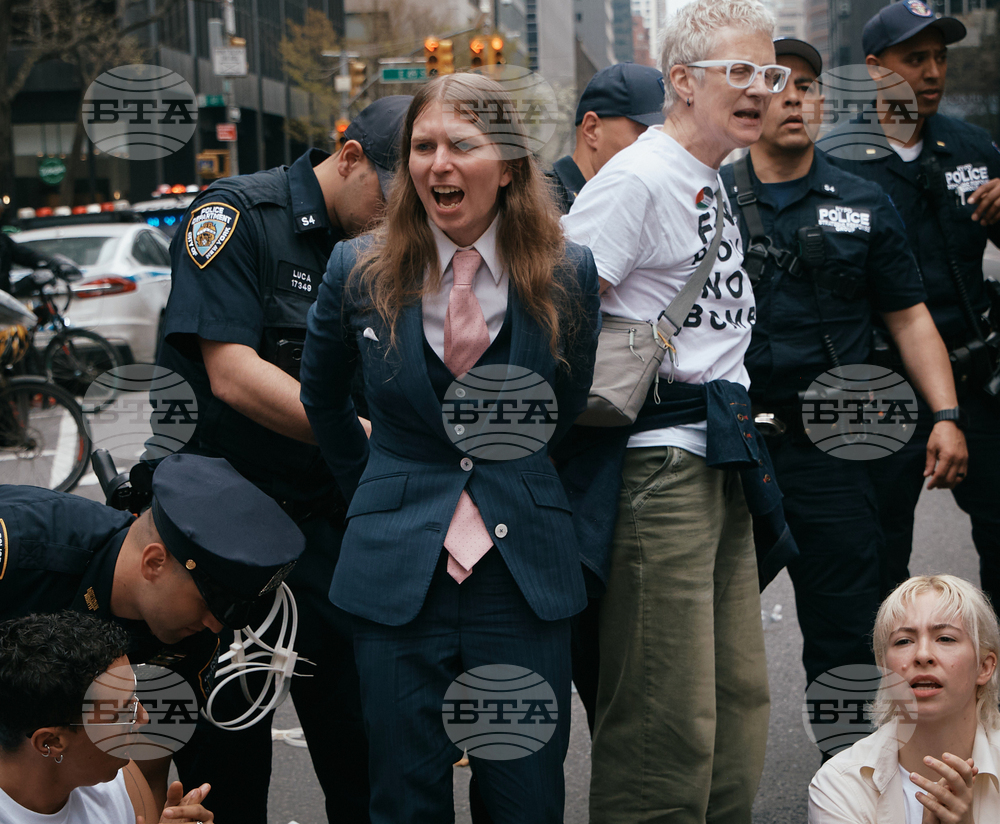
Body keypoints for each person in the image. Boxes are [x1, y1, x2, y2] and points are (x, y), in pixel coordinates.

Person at [299, 72, 600, 823]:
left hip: (521, 574)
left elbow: (562, 409)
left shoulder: (569, 273)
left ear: (508, 164)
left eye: (463, 145)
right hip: (396, 571)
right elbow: (321, 398)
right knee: (404, 798)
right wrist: (374, 487)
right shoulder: (357, 270)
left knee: (526, 798)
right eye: (423, 146)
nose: (439, 164)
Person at [561, 1, 790, 820]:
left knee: (737, 700)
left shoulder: (708, 176)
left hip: (719, 449)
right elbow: (550, 311)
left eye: (769, 74)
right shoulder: (639, 178)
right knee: (667, 716)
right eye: (740, 73)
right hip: (658, 462)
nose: (761, 90)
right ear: (682, 83)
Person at [154, 94, 411, 823]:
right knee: (224, 773)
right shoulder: (237, 217)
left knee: (365, 759)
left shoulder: (397, 244)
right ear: (352, 158)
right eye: (395, 197)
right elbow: (231, 372)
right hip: (227, 543)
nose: (402, 219)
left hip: (340, 534)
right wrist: (366, 440)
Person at [719, 37, 967, 689]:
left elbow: (910, 317)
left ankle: (858, 781)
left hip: (835, 447)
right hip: (733, 451)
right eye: (779, 84)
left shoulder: (862, 201)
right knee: (709, 630)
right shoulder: (705, 198)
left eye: (808, 86)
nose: (795, 98)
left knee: (850, 630)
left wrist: (945, 413)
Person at [0, 452, 304, 810]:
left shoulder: (190, 634)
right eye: (209, 603)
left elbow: (142, 767)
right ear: (154, 562)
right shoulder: (22, 549)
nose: (215, 624)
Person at [825, 2, 1000, 611]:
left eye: (940, 58)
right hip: (882, 389)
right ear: (876, 69)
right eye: (914, 58)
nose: (932, 72)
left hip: (976, 381)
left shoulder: (974, 150)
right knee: (877, 552)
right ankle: (890, 690)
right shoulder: (837, 163)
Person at [808, 574, 1000, 822]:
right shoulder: (838, 786)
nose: (922, 655)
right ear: (884, 669)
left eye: (945, 638)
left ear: (985, 667)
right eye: (904, 641)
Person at [0, 611, 216, 824]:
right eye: (123, 712)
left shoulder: (121, 780)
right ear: (50, 742)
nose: (144, 717)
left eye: (136, 698)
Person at [546, 62, 665, 215]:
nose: (656, 149)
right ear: (591, 129)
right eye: (645, 136)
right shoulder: (537, 203)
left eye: (663, 138)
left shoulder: (636, 207)